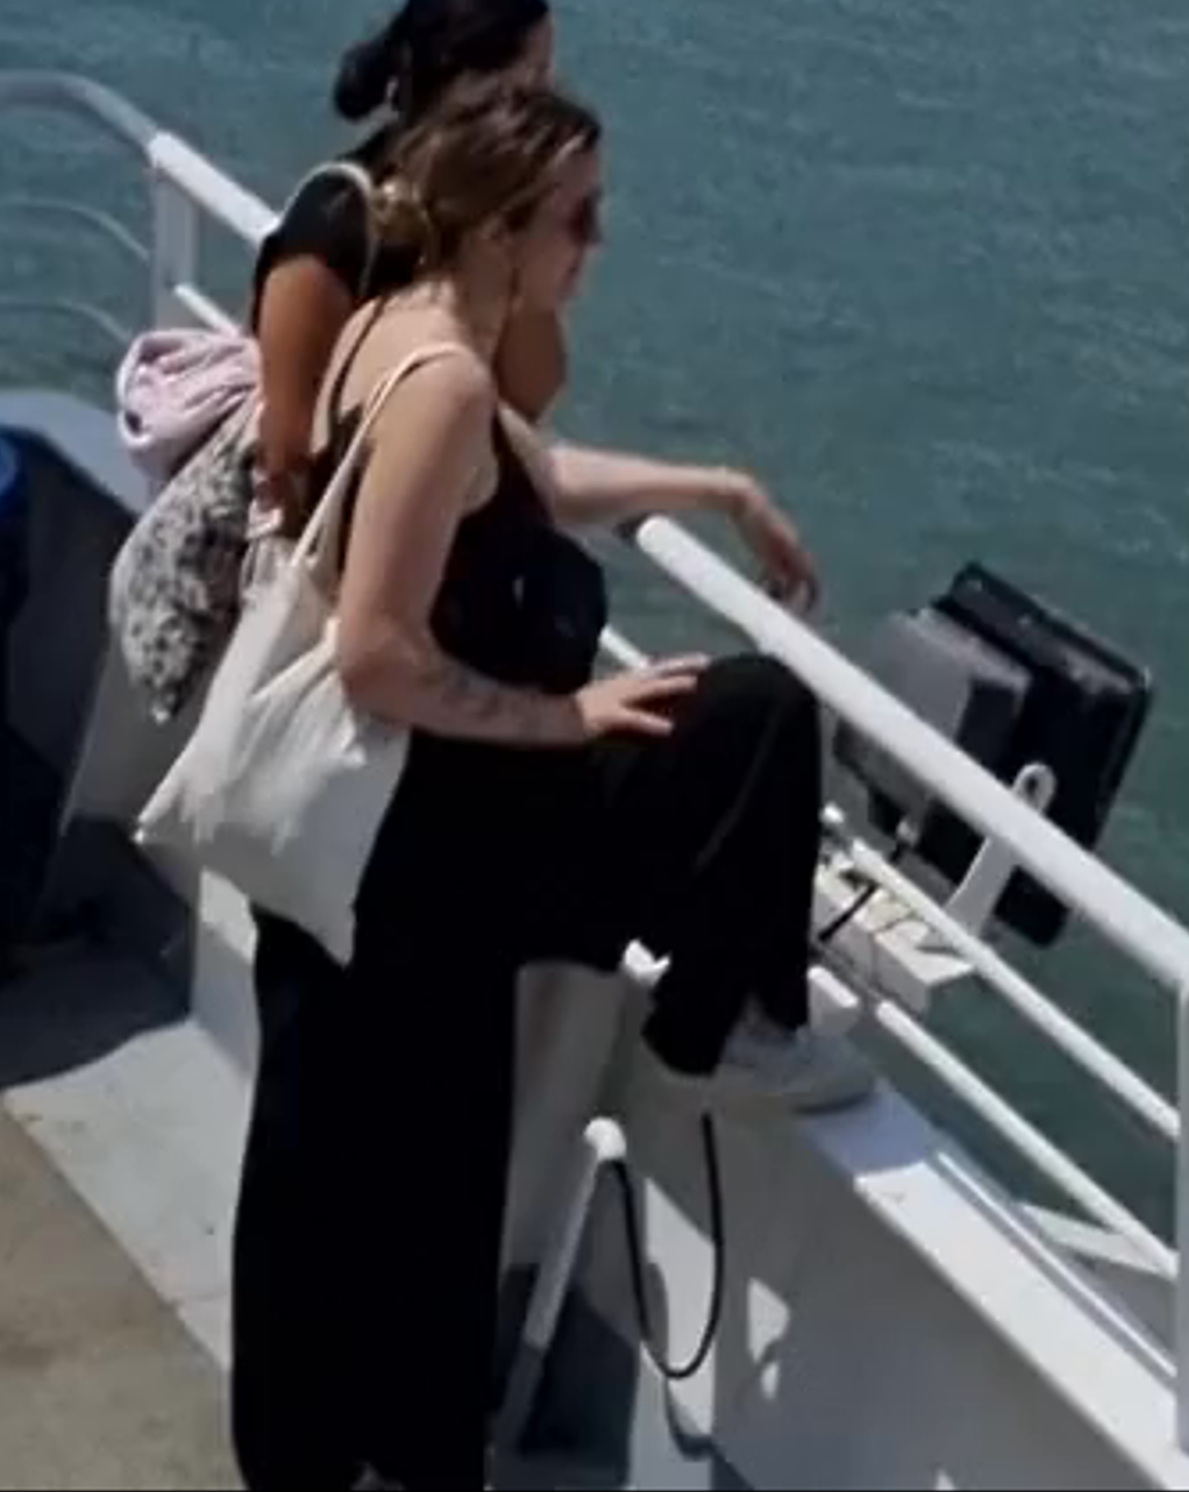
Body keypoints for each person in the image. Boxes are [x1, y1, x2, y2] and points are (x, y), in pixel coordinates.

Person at [226, 74, 844, 1492]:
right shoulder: (443, 379)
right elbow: (381, 650)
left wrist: (718, 483)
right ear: (503, 229)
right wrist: (562, 713)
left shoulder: (408, 326)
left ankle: (317, 1453)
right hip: (424, 859)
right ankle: (717, 1021)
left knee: (332, 1174)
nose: (597, 242)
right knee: (420, 1196)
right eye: (580, 215)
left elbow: (538, 476)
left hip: (380, 847)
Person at [250, 0, 564, 528]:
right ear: (460, 82)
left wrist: (530, 254)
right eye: (531, 82)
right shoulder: (332, 227)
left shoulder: (486, 224)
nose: (549, 109)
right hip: (313, 563)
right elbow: (288, 458)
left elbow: (529, 397)